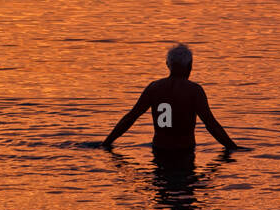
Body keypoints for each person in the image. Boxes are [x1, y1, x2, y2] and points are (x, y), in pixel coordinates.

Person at [102, 44, 240, 152]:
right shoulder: (194, 91)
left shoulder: (154, 88)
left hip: (159, 150)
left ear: (168, 64)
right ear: (190, 66)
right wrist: (233, 148)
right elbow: (211, 125)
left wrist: (106, 143)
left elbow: (130, 118)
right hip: (185, 151)